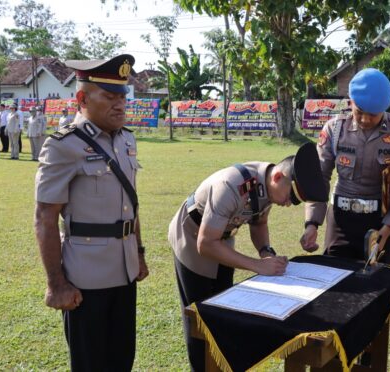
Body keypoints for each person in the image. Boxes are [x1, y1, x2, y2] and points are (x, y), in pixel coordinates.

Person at [168, 142, 328, 371]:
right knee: (200, 316)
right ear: (278, 177)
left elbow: (259, 222)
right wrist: (257, 266)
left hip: (221, 237)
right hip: (192, 238)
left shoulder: (269, 187)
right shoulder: (231, 185)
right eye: (292, 196)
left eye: (296, 202)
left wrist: (266, 253)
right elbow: (205, 244)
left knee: (223, 310)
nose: (290, 204)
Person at [35, 54, 148, 371]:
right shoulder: (63, 145)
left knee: (122, 360)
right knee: (90, 364)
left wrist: (138, 253)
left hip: (124, 272)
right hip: (85, 279)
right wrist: (56, 284)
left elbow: (131, 204)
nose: (120, 105)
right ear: (82, 98)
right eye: (109, 97)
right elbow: (44, 218)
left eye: (122, 97)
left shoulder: (126, 139)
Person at [301, 68, 390, 265]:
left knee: (378, 284)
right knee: (334, 282)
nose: (366, 120)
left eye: (373, 115)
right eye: (360, 112)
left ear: (385, 107)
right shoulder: (334, 129)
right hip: (340, 221)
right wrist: (312, 223)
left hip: (380, 224)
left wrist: (389, 228)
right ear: (350, 102)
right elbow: (320, 177)